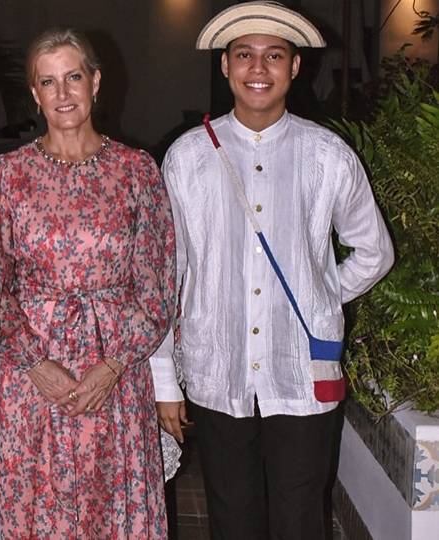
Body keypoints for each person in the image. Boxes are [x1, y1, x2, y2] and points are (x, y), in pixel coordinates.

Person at [154, 3, 394, 540]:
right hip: (218, 370)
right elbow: (168, 276)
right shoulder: (188, 158)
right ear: (225, 66)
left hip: (303, 373)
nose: (257, 68)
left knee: (301, 517)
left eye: (273, 55)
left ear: (294, 68)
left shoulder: (327, 156)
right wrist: (165, 381)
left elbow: (374, 251)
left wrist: (321, 294)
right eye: (244, 55)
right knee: (232, 518)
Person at [0, 27, 177, 539]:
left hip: (115, 375)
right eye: (48, 82)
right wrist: (36, 366)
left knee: (114, 512)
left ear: (96, 82)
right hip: (32, 382)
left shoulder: (137, 172)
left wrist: (111, 365)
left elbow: (156, 288)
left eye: (73, 78)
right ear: (34, 95)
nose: (62, 94)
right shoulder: (8, 174)